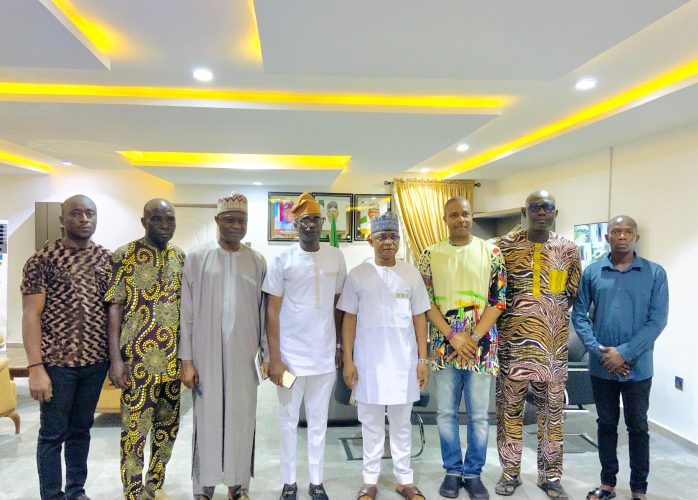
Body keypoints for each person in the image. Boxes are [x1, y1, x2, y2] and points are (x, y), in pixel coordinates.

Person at [21, 194, 111, 500]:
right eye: (76, 213)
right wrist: (35, 368)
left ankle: (76, 492)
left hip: (95, 363)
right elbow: (30, 315)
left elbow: (113, 312)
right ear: (62, 219)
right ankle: (52, 496)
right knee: (52, 435)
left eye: (90, 213)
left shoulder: (106, 259)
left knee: (81, 431)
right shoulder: (42, 259)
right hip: (56, 365)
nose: (84, 219)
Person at [572, 216, 668, 500]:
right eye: (616, 231)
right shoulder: (593, 272)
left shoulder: (655, 273)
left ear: (636, 237)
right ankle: (608, 484)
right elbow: (579, 315)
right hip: (602, 367)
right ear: (607, 237)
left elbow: (657, 320)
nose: (622, 236)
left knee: (638, 427)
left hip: (638, 368)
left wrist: (624, 353)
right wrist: (597, 350)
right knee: (606, 425)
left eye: (628, 232)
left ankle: (639, 489)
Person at [179, 193, 268, 500]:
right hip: (205, 353)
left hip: (244, 354)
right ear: (217, 220)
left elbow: (263, 312)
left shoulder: (257, 261)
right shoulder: (196, 258)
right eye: (229, 219)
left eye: (241, 220)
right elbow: (186, 313)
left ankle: (238, 485)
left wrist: (266, 355)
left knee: (242, 418)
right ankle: (203, 486)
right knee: (206, 418)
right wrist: (186, 361)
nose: (236, 226)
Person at [418, 196, 507, 500]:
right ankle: (453, 471)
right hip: (445, 347)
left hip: (482, 348)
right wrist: (453, 336)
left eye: (465, 214)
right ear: (445, 219)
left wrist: (473, 337)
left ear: (472, 216)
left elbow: (498, 301)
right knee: (445, 413)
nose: (461, 219)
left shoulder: (491, 253)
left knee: (479, 415)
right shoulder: (430, 255)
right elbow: (425, 302)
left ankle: (474, 473)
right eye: (454, 215)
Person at [494, 190, 581, 499]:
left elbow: (572, 295)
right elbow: (494, 296)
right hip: (512, 349)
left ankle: (551, 477)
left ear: (555, 213)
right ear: (524, 211)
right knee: (509, 413)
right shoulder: (502, 247)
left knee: (552, 415)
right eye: (535, 207)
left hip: (552, 351)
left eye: (548, 207)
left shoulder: (568, 250)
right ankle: (510, 473)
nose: (542, 212)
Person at [339, 212, 431, 500]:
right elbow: (349, 319)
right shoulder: (358, 275)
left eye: (393, 237)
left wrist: (423, 360)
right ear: (371, 241)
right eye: (382, 237)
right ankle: (369, 481)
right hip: (368, 363)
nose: (388, 242)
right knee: (371, 425)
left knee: (402, 425)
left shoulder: (411, 274)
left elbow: (420, 318)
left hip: (404, 363)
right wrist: (348, 360)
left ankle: (405, 480)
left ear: (399, 241)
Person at [263, 192, 347, 500]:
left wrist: (339, 344)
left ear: (322, 223)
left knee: (318, 421)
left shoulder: (336, 257)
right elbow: (272, 311)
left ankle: (316, 481)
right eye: (304, 220)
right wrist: (275, 358)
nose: (310, 225)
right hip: (290, 357)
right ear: (295, 225)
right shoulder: (282, 259)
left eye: (315, 219)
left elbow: (339, 305)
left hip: (324, 356)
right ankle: (289, 482)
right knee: (287, 421)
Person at [105, 199, 184, 500]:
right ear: (143, 222)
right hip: (137, 362)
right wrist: (116, 360)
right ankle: (133, 490)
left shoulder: (180, 257)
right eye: (157, 219)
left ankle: (155, 483)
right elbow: (114, 307)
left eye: (170, 219)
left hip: (173, 362)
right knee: (135, 430)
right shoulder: (124, 255)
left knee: (168, 428)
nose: (164, 225)